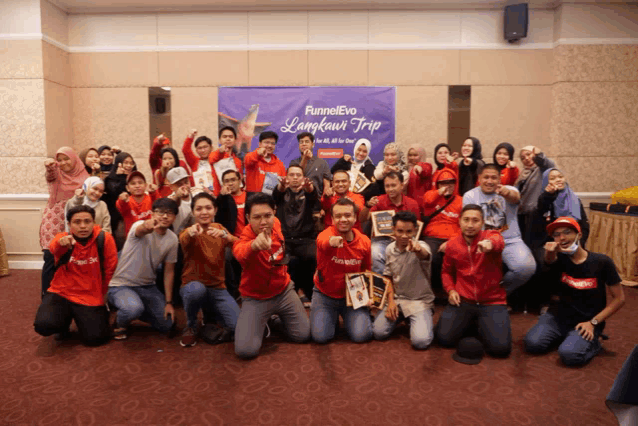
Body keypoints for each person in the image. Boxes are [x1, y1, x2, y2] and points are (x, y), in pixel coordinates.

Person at [523, 217, 625, 366]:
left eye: (567, 232)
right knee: (532, 344)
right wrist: (550, 253)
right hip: (557, 317)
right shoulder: (558, 260)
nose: (562, 238)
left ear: (579, 235)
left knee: (570, 356)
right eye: (556, 235)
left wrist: (593, 322)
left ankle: (594, 341)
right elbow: (548, 265)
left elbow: (619, 299)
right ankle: (568, 338)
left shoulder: (602, 262)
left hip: (587, 321)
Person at [233, 193, 311, 359]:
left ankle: (272, 321)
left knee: (303, 335)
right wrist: (254, 246)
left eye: (267, 215)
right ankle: (264, 322)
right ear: (248, 218)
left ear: (274, 212)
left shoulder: (276, 223)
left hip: (284, 291)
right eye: (257, 217)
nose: (263, 222)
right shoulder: (245, 238)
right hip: (256, 298)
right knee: (245, 351)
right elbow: (239, 252)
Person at [34, 205, 117, 347]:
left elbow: (110, 270)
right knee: (44, 325)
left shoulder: (104, 239)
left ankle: (81, 317)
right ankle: (62, 323)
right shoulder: (63, 239)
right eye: (77, 222)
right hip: (62, 293)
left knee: (96, 339)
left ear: (94, 222)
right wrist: (63, 243)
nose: (83, 226)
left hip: (90, 296)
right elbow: (54, 247)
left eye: (87, 221)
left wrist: (104, 295)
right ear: (69, 224)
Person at [436, 204, 511, 358]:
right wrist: (450, 290)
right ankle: (473, 322)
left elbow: (498, 241)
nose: (470, 225)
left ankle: (479, 323)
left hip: (492, 302)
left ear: (482, 222)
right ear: (459, 221)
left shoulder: (490, 235)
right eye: (466, 220)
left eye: (475, 221)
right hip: (464, 300)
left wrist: (489, 245)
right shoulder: (452, 245)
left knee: (500, 350)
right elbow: (446, 272)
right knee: (444, 339)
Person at [107, 198, 180, 340]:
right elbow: (142, 229)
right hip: (121, 285)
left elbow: (169, 271)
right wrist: (148, 225)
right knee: (132, 309)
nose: (164, 216)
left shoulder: (172, 239)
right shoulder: (138, 225)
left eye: (169, 213)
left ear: (174, 217)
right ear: (152, 214)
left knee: (168, 324)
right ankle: (120, 321)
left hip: (147, 286)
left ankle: (135, 308)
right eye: (160, 212)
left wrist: (169, 302)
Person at [462, 164, 536, 297]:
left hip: (510, 241)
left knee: (526, 268)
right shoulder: (470, 195)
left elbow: (515, 197)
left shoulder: (509, 190)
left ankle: (497, 294)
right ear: (479, 178)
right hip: (482, 240)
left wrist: (506, 193)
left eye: (493, 178)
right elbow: (469, 222)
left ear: (500, 179)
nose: (489, 181)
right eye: (486, 177)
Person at [178, 192, 240, 347]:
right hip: (193, 285)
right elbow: (184, 238)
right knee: (196, 290)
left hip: (217, 288)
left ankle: (211, 315)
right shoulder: (189, 231)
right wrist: (191, 233)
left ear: (215, 210)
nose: (204, 212)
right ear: (193, 212)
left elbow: (239, 245)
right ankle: (191, 325)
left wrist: (226, 235)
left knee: (238, 327)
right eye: (199, 209)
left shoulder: (219, 228)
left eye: (208, 208)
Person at [311, 198, 373, 344]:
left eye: (347, 215)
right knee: (321, 338)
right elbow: (323, 243)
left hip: (352, 295)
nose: (343, 219)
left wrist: (368, 295)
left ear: (355, 218)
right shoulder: (325, 235)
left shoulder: (364, 242)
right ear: (332, 219)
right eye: (338, 216)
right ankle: (332, 319)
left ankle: (353, 317)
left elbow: (366, 270)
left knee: (362, 336)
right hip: (325, 295)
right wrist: (332, 242)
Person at [373, 211, 434, 350]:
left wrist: (418, 250)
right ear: (393, 229)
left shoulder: (423, 246)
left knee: (421, 342)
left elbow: (424, 254)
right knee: (378, 333)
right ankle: (406, 319)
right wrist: (391, 302)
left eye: (408, 231)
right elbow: (387, 277)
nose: (404, 236)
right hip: (397, 300)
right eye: (400, 231)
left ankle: (418, 319)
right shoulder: (389, 249)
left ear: (415, 231)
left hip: (419, 301)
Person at [41, 147, 90, 296]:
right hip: (54, 221)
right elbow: (50, 175)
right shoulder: (57, 175)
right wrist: (50, 166)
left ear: (74, 158)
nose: (63, 163)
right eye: (59, 160)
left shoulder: (85, 177)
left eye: (66, 158)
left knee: (71, 259)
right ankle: (47, 296)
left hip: (75, 221)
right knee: (51, 259)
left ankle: (68, 294)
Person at [273, 165, 321, 306]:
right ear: (287, 177)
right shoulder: (282, 193)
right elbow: (276, 195)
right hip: (285, 239)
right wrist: (281, 186)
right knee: (285, 260)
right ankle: (288, 296)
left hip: (305, 239)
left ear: (303, 178)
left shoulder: (308, 191)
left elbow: (312, 196)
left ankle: (309, 293)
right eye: (292, 175)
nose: (295, 178)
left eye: (298, 175)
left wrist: (308, 188)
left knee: (312, 257)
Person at [360, 172, 421, 274]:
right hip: (382, 240)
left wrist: (406, 238)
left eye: (393, 185)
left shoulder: (412, 203)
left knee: (415, 253)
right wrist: (368, 206)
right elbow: (362, 219)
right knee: (374, 253)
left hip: (405, 239)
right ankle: (381, 285)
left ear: (402, 185)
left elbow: (417, 227)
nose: (390, 189)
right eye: (387, 186)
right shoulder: (378, 201)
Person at [215, 170, 257, 300]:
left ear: (240, 180)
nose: (230, 183)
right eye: (226, 181)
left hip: (251, 239)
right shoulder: (222, 200)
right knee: (226, 257)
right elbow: (218, 221)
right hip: (231, 241)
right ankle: (234, 293)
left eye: (233, 180)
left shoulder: (252, 197)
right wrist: (222, 198)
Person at [422, 168, 462, 294]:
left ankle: (452, 291)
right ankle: (432, 290)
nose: (448, 185)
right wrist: (439, 191)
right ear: (437, 184)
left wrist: (452, 241)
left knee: (457, 256)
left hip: (453, 237)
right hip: (432, 236)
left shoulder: (461, 201)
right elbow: (427, 200)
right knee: (430, 257)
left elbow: (463, 225)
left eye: (451, 182)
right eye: (443, 182)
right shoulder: (431, 195)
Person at [537, 168, 589, 248]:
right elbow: (542, 208)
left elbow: (584, 225)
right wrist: (549, 194)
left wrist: (578, 244)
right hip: (553, 245)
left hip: (574, 244)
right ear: (546, 182)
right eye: (552, 178)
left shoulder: (574, 199)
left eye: (560, 177)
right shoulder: (545, 198)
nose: (558, 180)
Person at [516, 145, 555, 248]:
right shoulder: (523, 173)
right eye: (523, 158)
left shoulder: (542, 170)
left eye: (528, 154)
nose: (526, 159)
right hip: (522, 215)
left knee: (534, 247)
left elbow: (547, 163)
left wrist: (538, 155)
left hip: (536, 215)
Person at [103, 152, 137, 247]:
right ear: (119, 164)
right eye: (126, 162)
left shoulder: (134, 178)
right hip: (117, 219)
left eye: (131, 163)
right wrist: (121, 177)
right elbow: (116, 193)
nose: (129, 165)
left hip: (133, 215)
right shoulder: (110, 179)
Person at [289, 131, 332, 198]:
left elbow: (327, 185)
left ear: (312, 144)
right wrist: (305, 158)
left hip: (316, 200)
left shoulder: (322, 162)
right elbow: (298, 173)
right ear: (299, 146)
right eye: (301, 142)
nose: (304, 144)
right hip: (297, 199)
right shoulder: (294, 162)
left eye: (307, 142)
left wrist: (326, 193)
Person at [115, 171, 159, 236]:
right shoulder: (126, 201)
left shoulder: (152, 198)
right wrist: (122, 200)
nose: (137, 186)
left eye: (140, 183)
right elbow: (121, 205)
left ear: (145, 185)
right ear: (127, 188)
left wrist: (154, 193)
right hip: (134, 238)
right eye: (133, 183)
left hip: (152, 236)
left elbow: (158, 203)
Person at [208, 126, 243, 196]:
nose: (228, 139)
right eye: (224, 137)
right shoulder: (214, 154)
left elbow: (240, 180)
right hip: (219, 195)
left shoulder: (238, 161)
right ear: (219, 140)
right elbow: (212, 159)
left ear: (235, 140)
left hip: (235, 197)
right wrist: (221, 152)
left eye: (230, 137)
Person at [166, 167, 194, 236]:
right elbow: (171, 204)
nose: (184, 186)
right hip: (178, 238)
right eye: (179, 185)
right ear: (171, 187)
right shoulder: (169, 200)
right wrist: (177, 196)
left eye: (186, 182)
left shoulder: (196, 194)